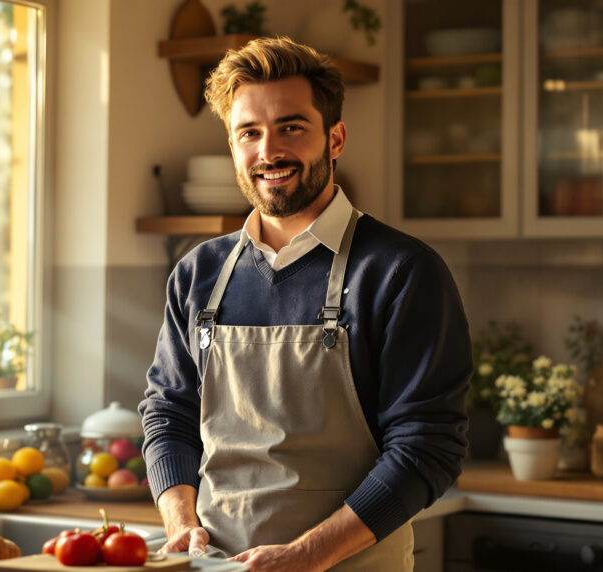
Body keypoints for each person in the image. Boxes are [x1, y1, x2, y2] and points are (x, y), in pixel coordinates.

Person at [138, 37, 472, 571]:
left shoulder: (400, 272)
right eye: (249, 132)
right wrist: (181, 524)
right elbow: (168, 412)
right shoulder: (199, 274)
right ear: (232, 145)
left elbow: (427, 448)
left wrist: (305, 555)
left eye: (291, 127)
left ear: (335, 138)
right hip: (215, 566)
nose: (268, 151)